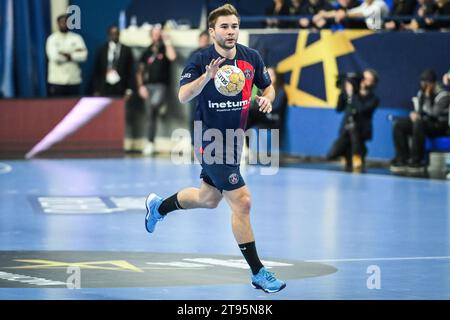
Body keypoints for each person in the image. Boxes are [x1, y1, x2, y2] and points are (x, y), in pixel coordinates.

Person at [144, 4, 286, 293]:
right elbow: (183, 95)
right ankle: (258, 272)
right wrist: (207, 77)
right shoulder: (200, 61)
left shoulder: (251, 57)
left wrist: (267, 97)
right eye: (224, 26)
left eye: (234, 26)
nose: (231, 31)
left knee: (208, 198)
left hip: (235, 138)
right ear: (212, 31)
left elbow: (268, 87)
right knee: (243, 201)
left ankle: (159, 206)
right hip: (209, 139)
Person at [390, 69, 449, 174]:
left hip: (439, 126)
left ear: (433, 83)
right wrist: (414, 114)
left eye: (427, 83)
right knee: (400, 125)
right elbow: (420, 110)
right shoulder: (421, 93)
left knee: (419, 124)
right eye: (422, 82)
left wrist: (426, 97)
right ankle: (402, 158)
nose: (424, 85)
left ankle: (417, 160)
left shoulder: (443, 95)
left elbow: (433, 113)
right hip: (423, 123)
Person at [326, 69, 380, 172]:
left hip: (360, 133)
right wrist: (343, 92)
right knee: (331, 155)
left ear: (373, 83)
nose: (364, 81)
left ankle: (358, 154)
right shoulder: (352, 95)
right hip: (345, 132)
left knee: (355, 162)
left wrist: (351, 95)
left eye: (368, 79)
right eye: (363, 78)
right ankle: (348, 154)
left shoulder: (373, 99)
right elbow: (339, 108)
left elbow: (358, 110)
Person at [136, 25, 177, 156]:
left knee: (154, 103)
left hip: (161, 85)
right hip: (148, 86)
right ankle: (150, 142)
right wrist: (141, 86)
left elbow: (172, 57)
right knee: (150, 116)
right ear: (151, 35)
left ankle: (162, 104)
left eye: (158, 33)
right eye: (154, 33)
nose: (156, 36)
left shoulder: (164, 48)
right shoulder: (147, 51)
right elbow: (139, 71)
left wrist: (168, 41)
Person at [46, 14, 88, 97]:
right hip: (57, 81)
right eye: (62, 22)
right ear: (57, 23)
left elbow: (84, 56)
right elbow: (55, 57)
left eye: (66, 22)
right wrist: (74, 53)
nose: (64, 24)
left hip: (73, 80)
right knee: (57, 107)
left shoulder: (77, 38)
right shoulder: (52, 39)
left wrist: (65, 54)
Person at [92, 25, 135, 97]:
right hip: (105, 86)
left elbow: (130, 71)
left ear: (119, 34)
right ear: (108, 34)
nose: (114, 35)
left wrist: (129, 88)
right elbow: (97, 71)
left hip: (121, 86)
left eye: (116, 33)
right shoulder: (102, 50)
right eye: (112, 33)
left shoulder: (126, 50)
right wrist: (96, 89)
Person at [188, 31, 211, 145]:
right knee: (195, 116)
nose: (204, 41)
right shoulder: (193, 54)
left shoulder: (213, 53)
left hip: (209, 91)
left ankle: (209, 143)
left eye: (206, 39)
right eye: (202, 39)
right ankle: (194, 143)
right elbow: (189, 71)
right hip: (196, 90)